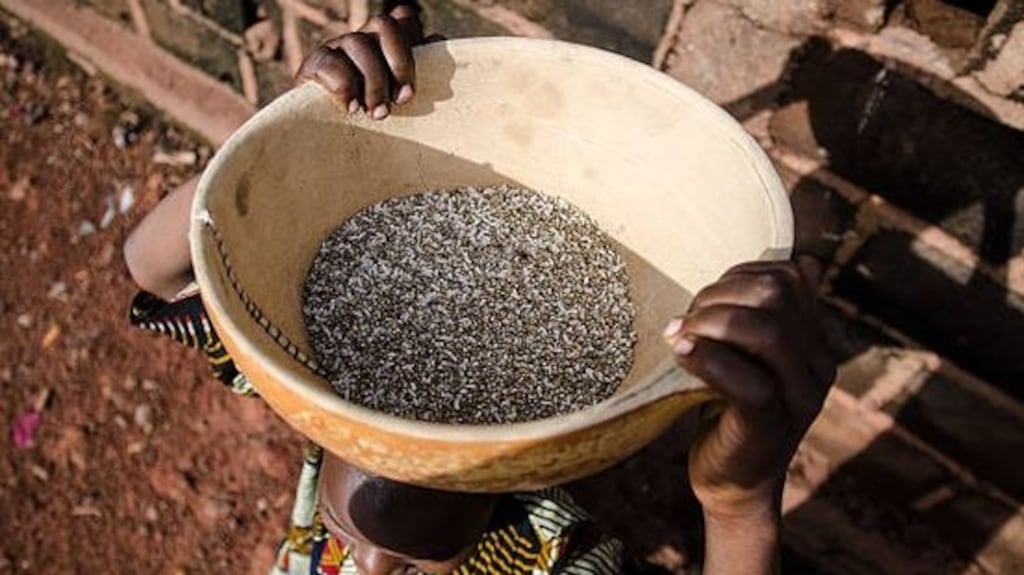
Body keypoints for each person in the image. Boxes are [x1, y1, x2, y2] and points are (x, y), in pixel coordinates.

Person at [123, 2, 836, 574]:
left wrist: (739, 505)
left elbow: (149, 267)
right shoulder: (328, 419)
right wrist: (287, 135)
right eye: (339, 529)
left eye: (412, 562)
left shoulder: (554, 557)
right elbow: (153, 266)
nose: (365, 568)